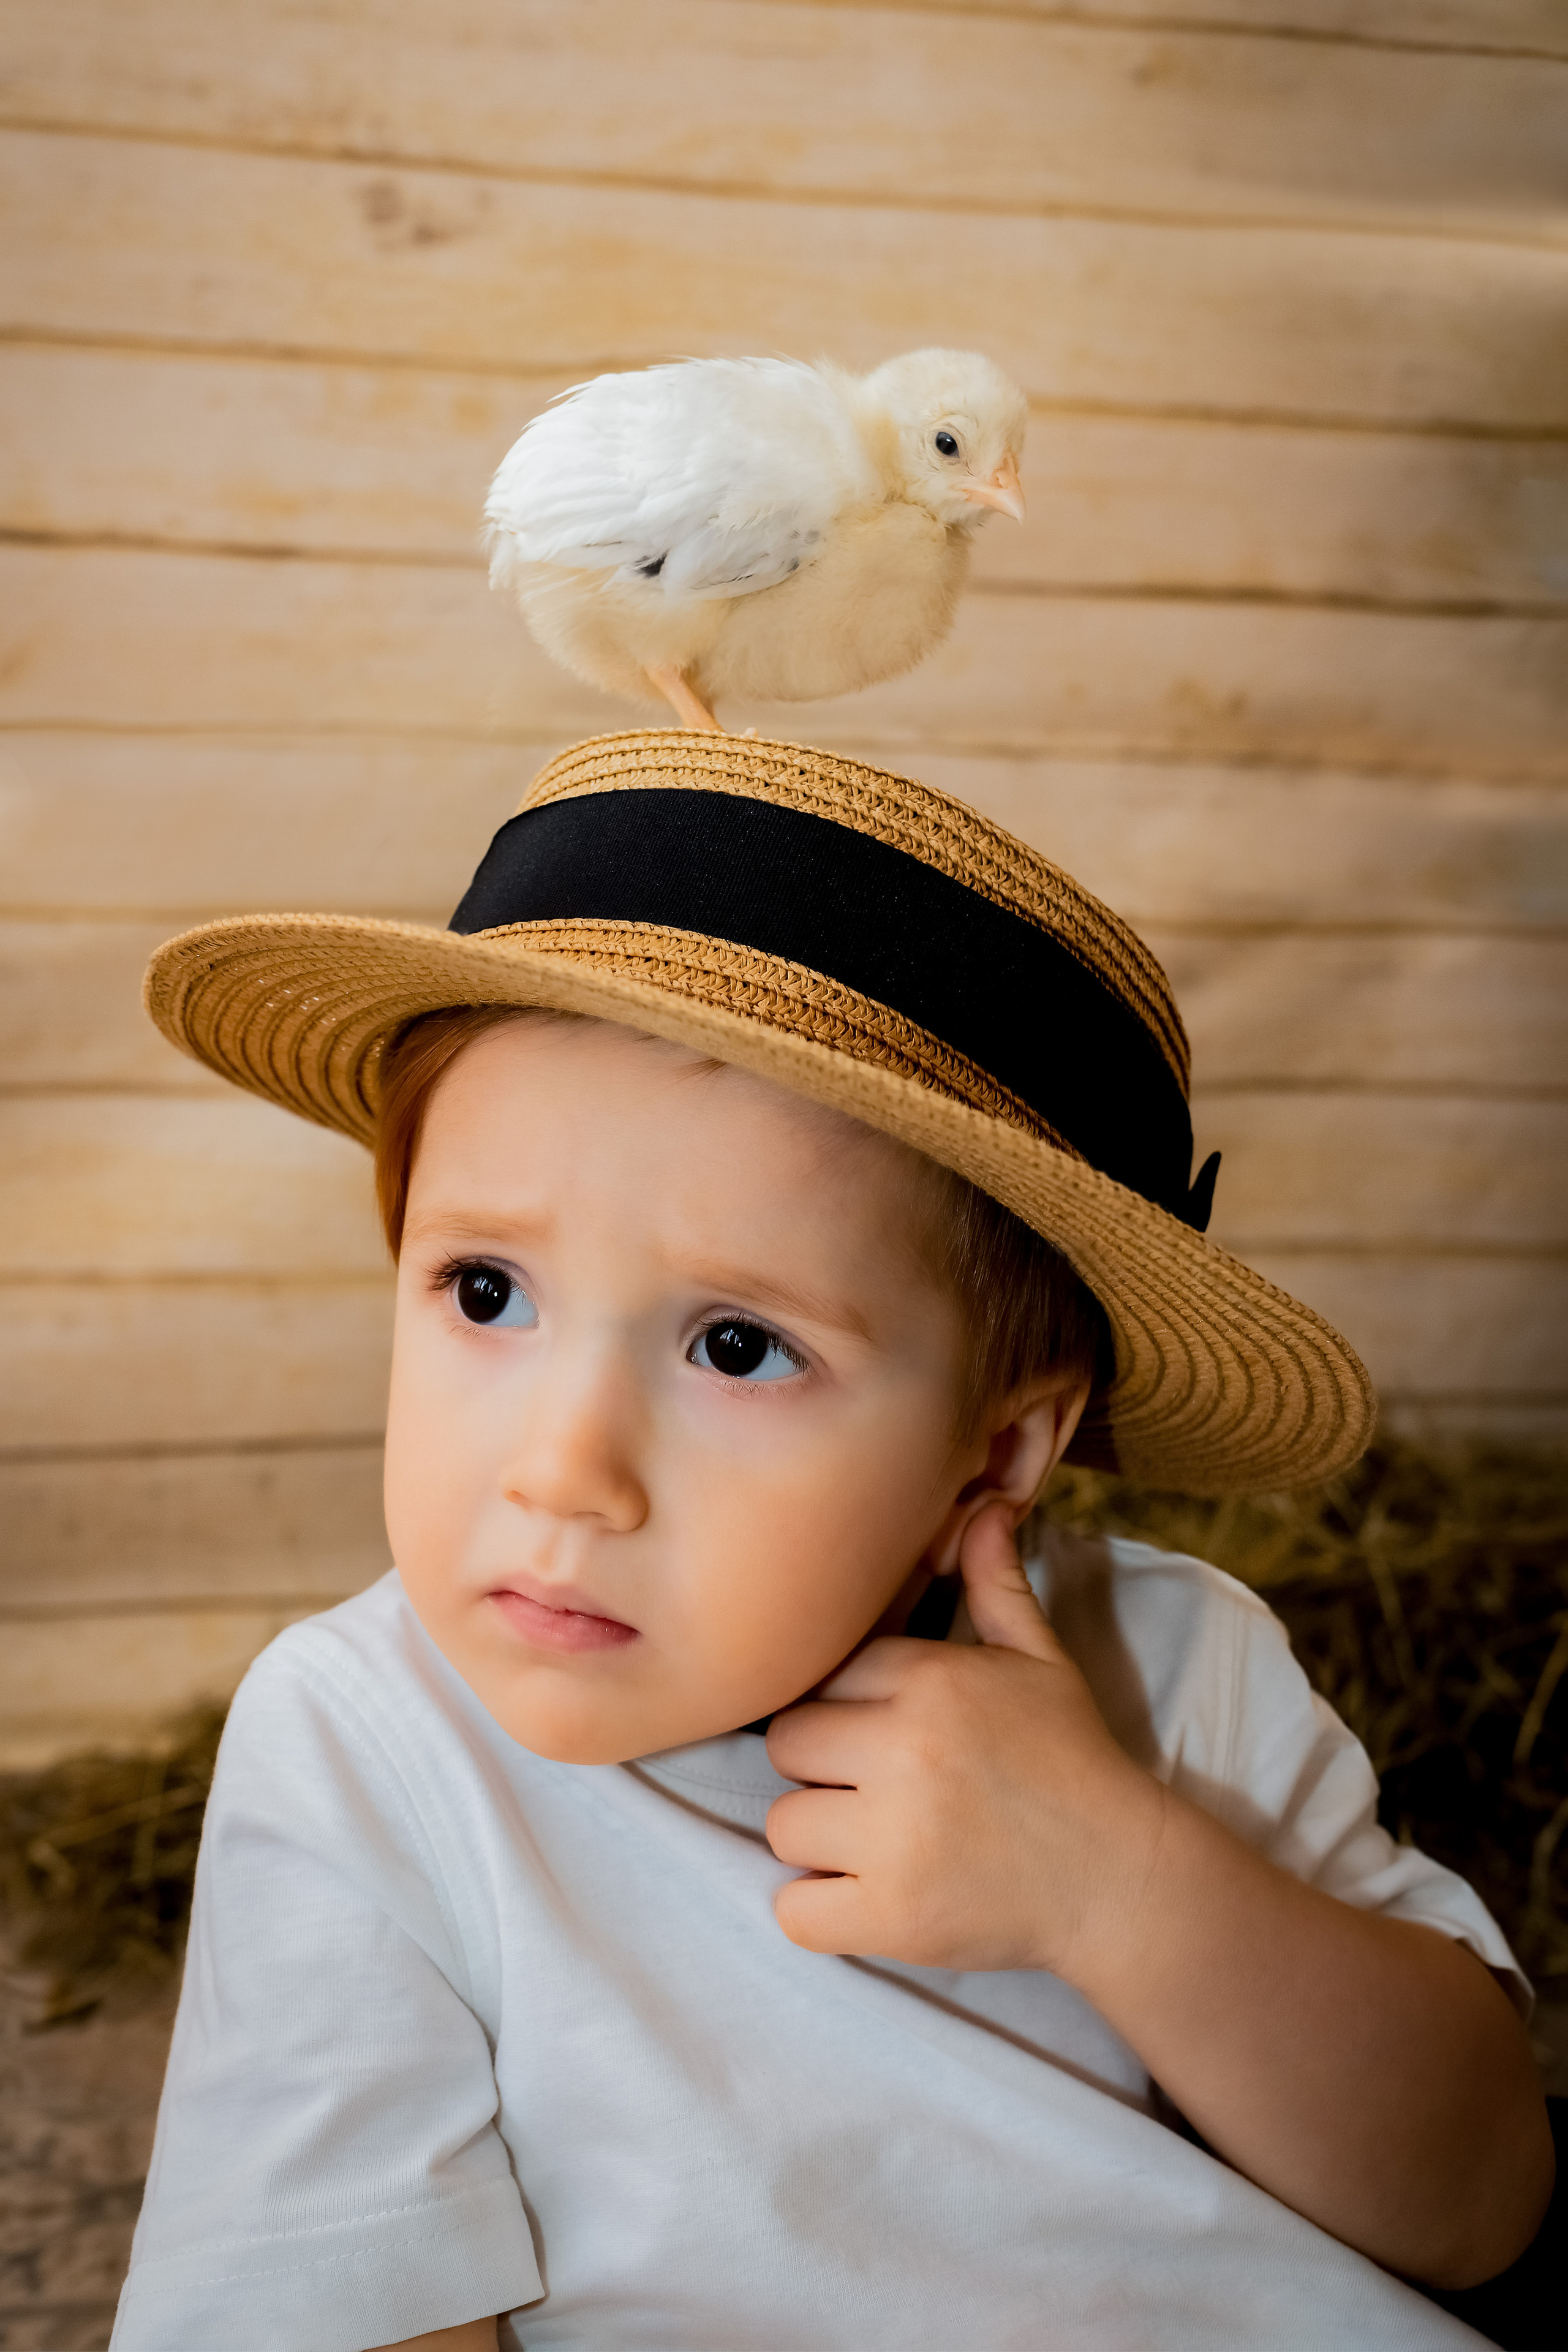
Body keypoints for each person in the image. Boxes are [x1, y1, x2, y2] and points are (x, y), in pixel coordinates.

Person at [112, 734, 1552, 2351]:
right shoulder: (366, 1745)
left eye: (736, 1348)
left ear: (998, 1451)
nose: (565, 1472)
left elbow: (1482, 2199)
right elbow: (340, 2308)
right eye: (485, 1291)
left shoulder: (1172, 1671)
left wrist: (1120, 1888)